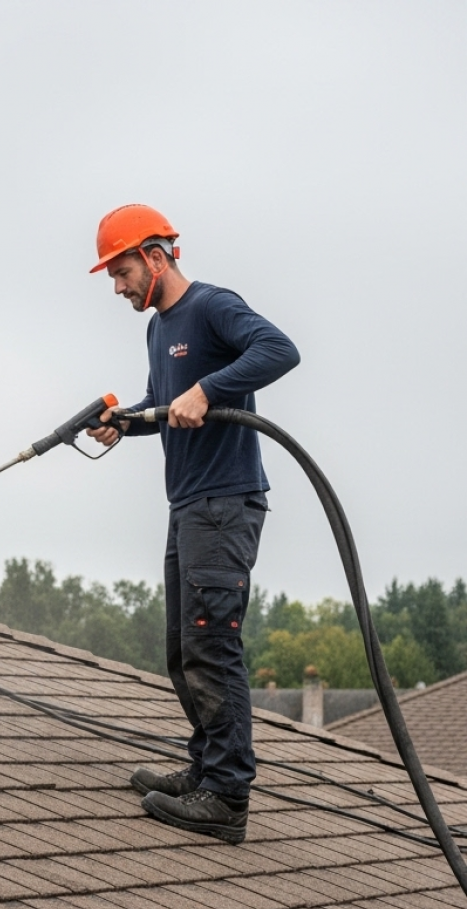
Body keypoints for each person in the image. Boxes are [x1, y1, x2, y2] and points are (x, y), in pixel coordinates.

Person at [86, 204, 299, 845]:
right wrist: (124, 423)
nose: (117, 287)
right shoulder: (158, 330)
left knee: (212, 644)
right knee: (182, 649)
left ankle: (228, 797)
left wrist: (208, 390)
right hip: (188, 506)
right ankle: (205, 768)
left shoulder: (211, 306)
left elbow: (279, 349)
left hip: (226, 503)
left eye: (121, 271)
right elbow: (162, 405)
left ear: (155, 256)